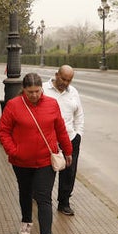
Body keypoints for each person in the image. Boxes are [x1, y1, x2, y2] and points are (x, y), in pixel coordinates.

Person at [0, 72, 73, 234]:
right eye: (30, 92)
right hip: (21, 161)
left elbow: (60, 129)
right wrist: (13, 151)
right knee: (25, 191)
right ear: (23, 90)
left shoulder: (52, 104)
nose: (34, 95)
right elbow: (3, 131)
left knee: (44, 196)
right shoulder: (14, 105)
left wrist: (68, 150)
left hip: (46, 160)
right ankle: (26, 220)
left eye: (37, 91)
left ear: (42, 89)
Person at [44, 65, 84, 216]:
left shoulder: (73, 92)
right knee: (46, 171)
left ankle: (64, 202)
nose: (65, 83)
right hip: (49, 139)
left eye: (69, 80)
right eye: (63, 78)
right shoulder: (43, 89)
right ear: (56, 75)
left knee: (69, 172)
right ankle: (41, 197)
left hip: (70, 138)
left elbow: (79, 115)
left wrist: (78, 134)